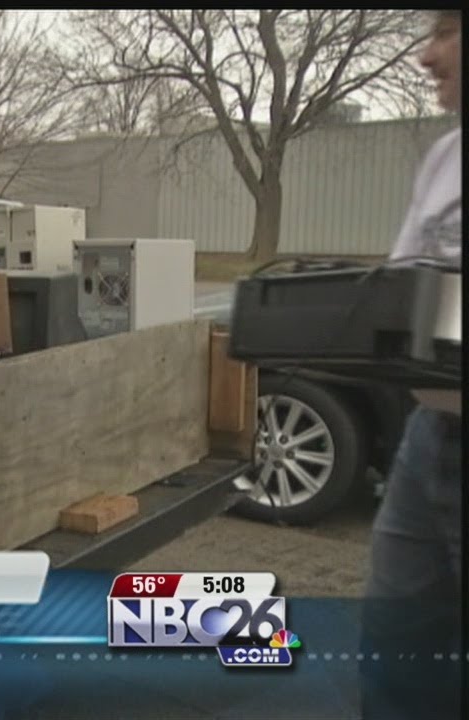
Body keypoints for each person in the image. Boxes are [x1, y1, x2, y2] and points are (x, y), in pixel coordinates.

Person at [361, 10, 461, 719]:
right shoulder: (446, 156)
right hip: (432, 435)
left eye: (450, 30)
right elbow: (403, 292)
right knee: (397, 649)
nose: (427, 55)